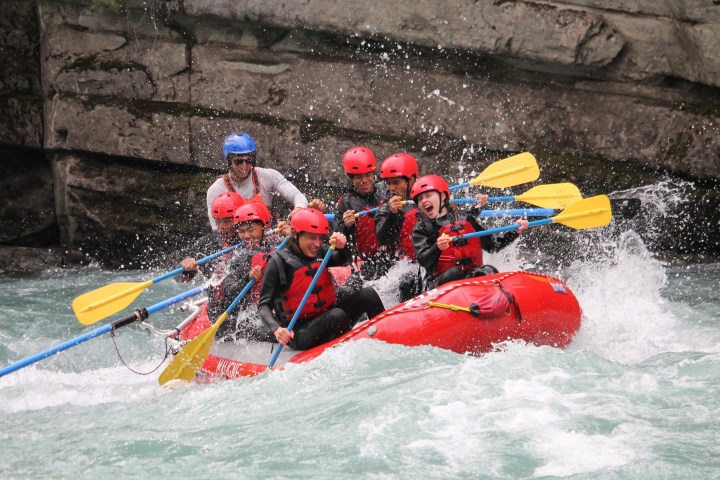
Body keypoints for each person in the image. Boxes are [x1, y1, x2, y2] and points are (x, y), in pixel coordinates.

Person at [259, 208, 385, 350]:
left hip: (330, 316)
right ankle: (350, 352)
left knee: (368, 294)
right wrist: (276, 329)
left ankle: (386, 338)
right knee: (337, 316)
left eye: (320, 238)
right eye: (311, 237)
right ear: (295, 235)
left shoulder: (322, 251)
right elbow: (264, 305)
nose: (317, 244)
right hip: (300, 331)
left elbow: (343, 260)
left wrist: (342, 247)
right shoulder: (277, 263)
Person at [411, 175, 529, 291]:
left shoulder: (465, 219)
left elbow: (493, 245)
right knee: (454, 273)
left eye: (428, 196)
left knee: (488, 270)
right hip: (437, 283)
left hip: (470, 278)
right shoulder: (421, 228)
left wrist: (515, 231)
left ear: (442, 196)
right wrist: (437, 247)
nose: (424, 201)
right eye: (420, 199)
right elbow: (423, 260)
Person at [214, 202, 288, 342]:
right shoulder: (238, 258)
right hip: (251, 317)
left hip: (280, 308)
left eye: (251, 229)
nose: (246, 236)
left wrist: (292, 235)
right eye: (241, 231)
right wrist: (247, 278)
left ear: (264, 227)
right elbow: (229, 294)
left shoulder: (280, 244)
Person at [206, 132, 308, 230]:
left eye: (249, 160)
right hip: (238, 242)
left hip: (270, 238)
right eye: (238, 161)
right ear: (229, 161)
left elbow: (298, 196)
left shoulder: (269, 176)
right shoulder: (216, 190)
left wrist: (298, 209)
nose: (244, 166)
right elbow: (217, 230)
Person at [332, 146, 390, 280]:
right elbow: (336, 236)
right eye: (358, 177)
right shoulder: (346, 203)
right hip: (369, 260)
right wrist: (345, 226)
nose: (364, 180)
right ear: (351, 178)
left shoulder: (385, 189)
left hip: (392, 253)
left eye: (368, 175)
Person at [374, 153, 423, 301]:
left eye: (396, 183)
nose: (391, 188)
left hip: (427, 258)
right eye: (388, 184)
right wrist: (393, 215)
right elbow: (383, 239)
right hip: (402, 266)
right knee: (409, 281)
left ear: (412, 181)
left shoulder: (426, 200)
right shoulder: (384, 209)